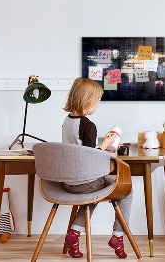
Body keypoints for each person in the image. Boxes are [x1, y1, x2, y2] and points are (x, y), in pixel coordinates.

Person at [62, 77, 132, 259]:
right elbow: (89, 157)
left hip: (68, 182)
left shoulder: (67, 121)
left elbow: (79, 150)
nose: (98, 105)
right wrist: (106, 145)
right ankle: (118, 236)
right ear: (88, 101)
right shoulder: (88, 125)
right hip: (85, 182)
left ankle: (74, 234)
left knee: (93, 194)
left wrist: (101, 145)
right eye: (97, 101)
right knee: (127, 190)